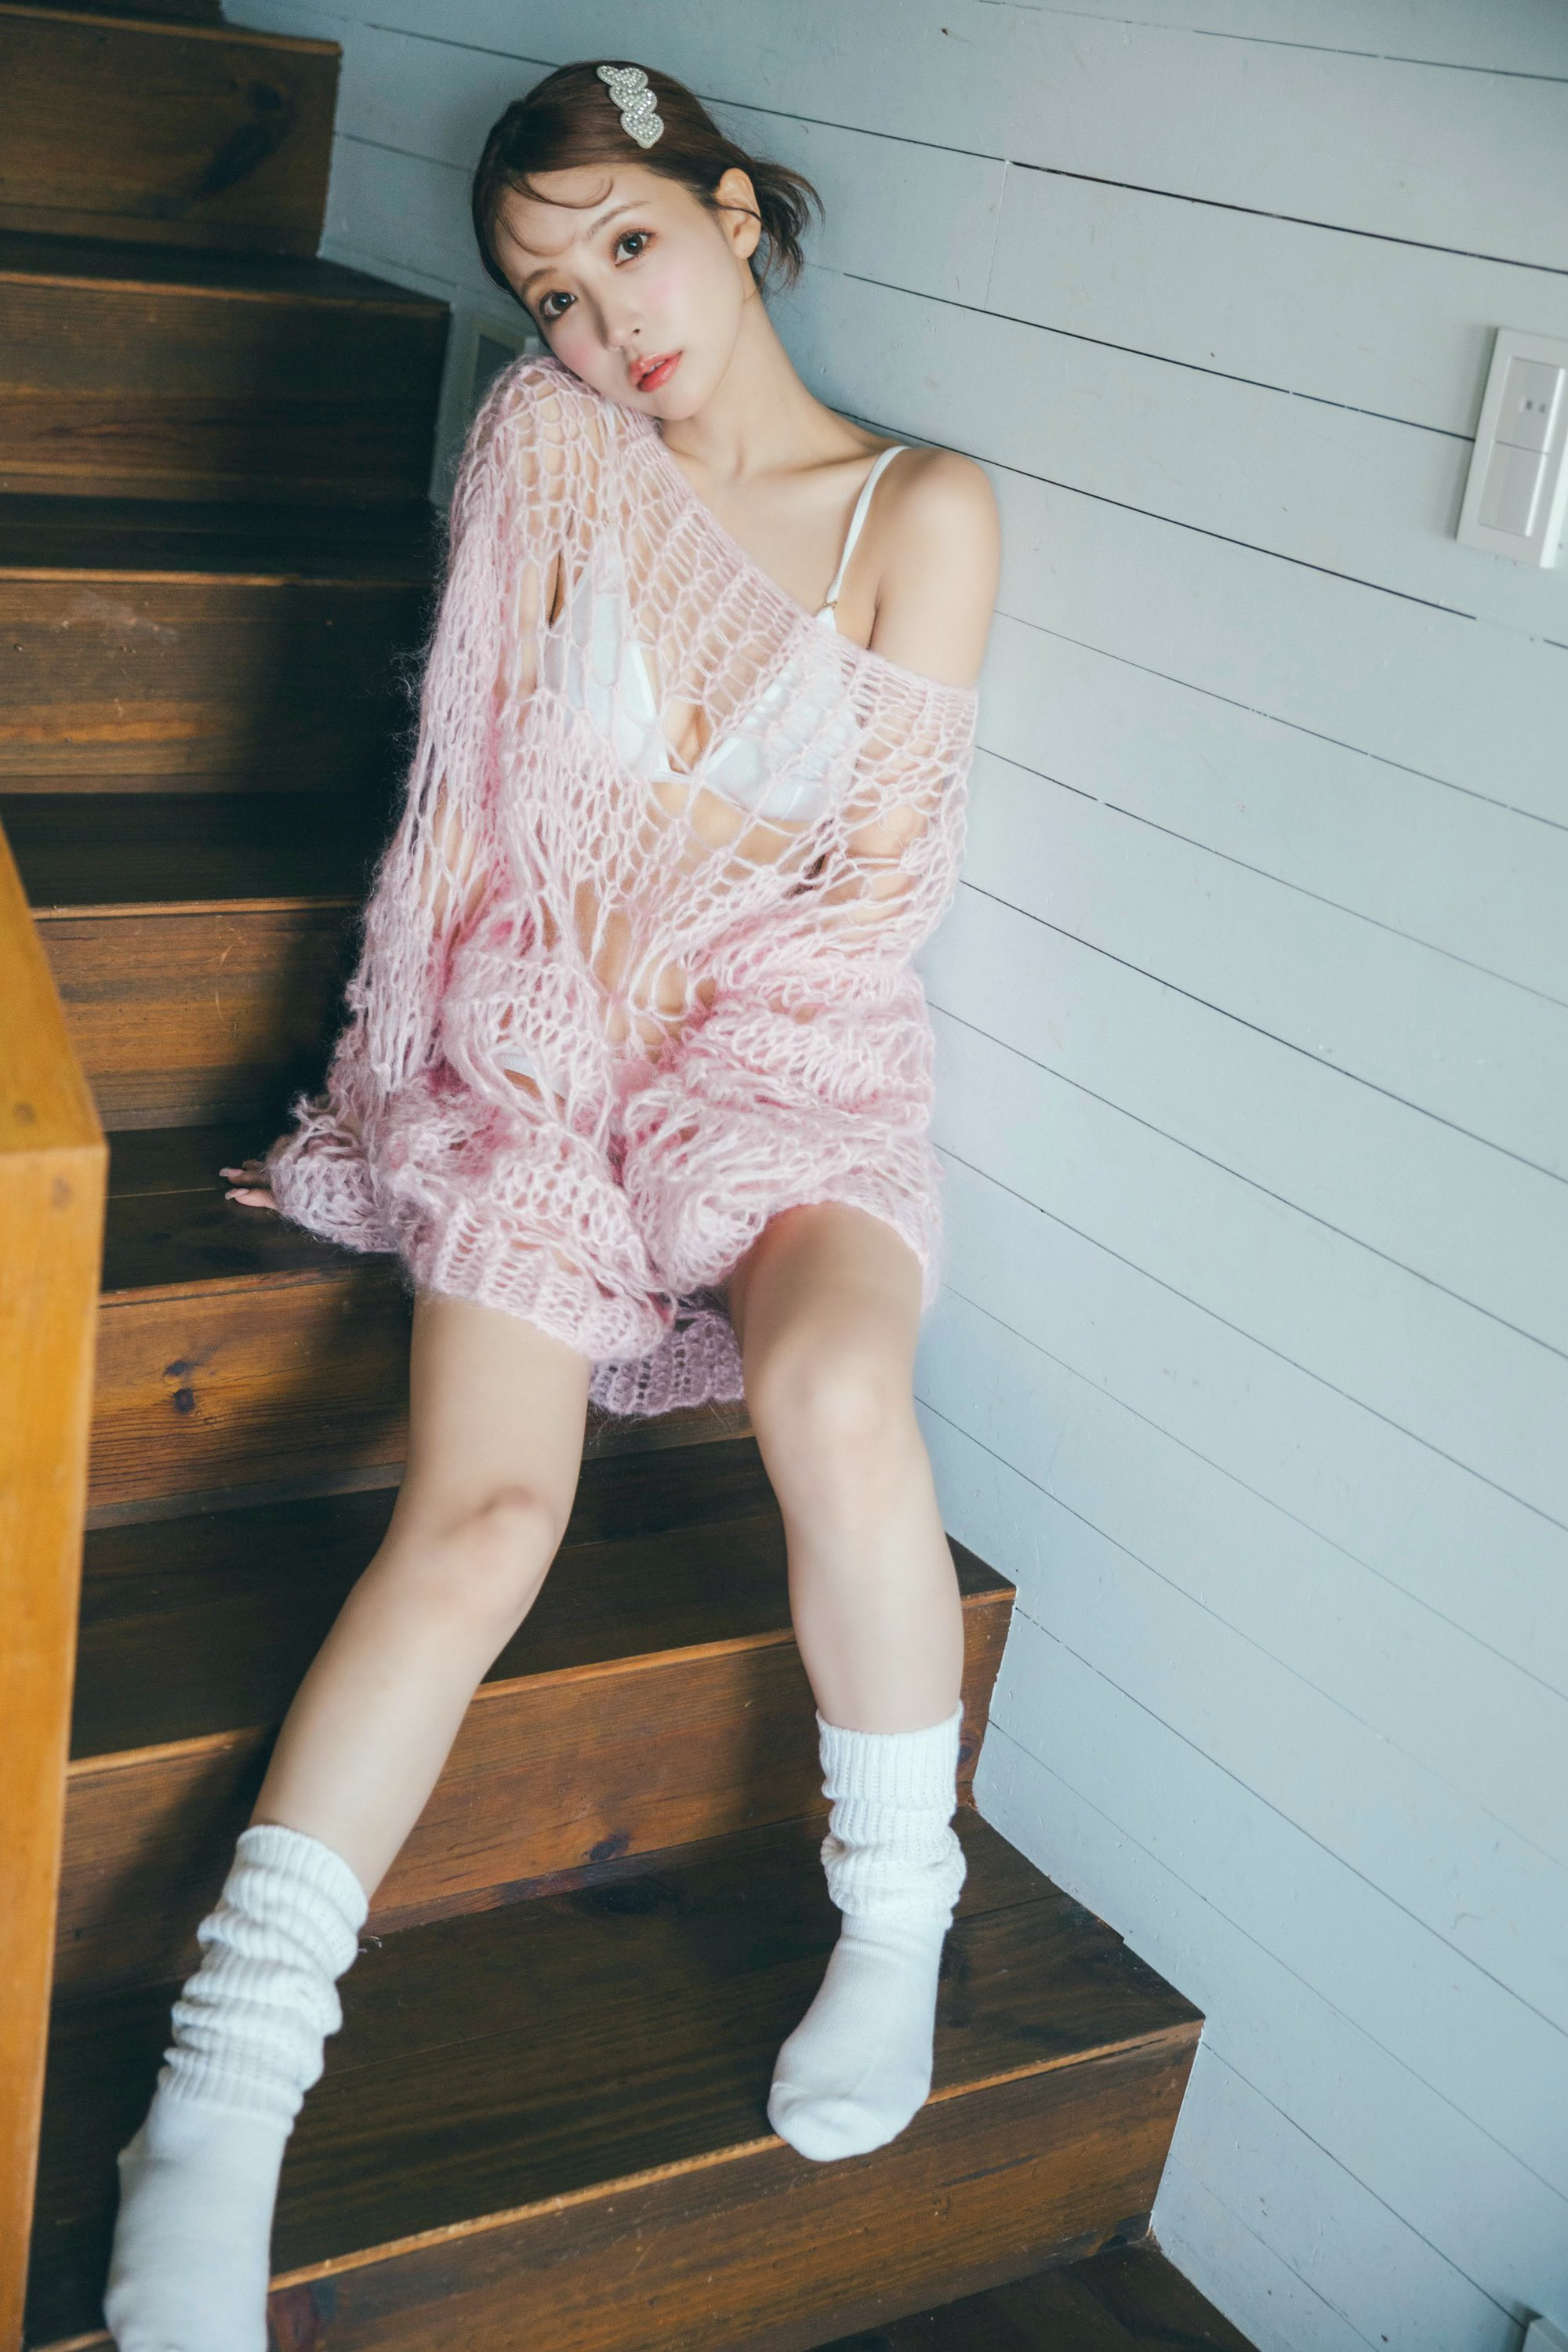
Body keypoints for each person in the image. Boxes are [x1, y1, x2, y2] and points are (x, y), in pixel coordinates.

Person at [104, 56, 998, 2350]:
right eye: (554, 294)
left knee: (832, 1397)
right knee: (488, 1515)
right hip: (533, 1046)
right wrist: (455, 1057)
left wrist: (674, 964)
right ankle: (222, 2092)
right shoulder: (550, 448)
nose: (606, 325)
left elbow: (864, 903)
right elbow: (469, 812)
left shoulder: (921, 511)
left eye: (629, 246)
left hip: (788, 1066)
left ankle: (897, 1917)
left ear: (733, 213)